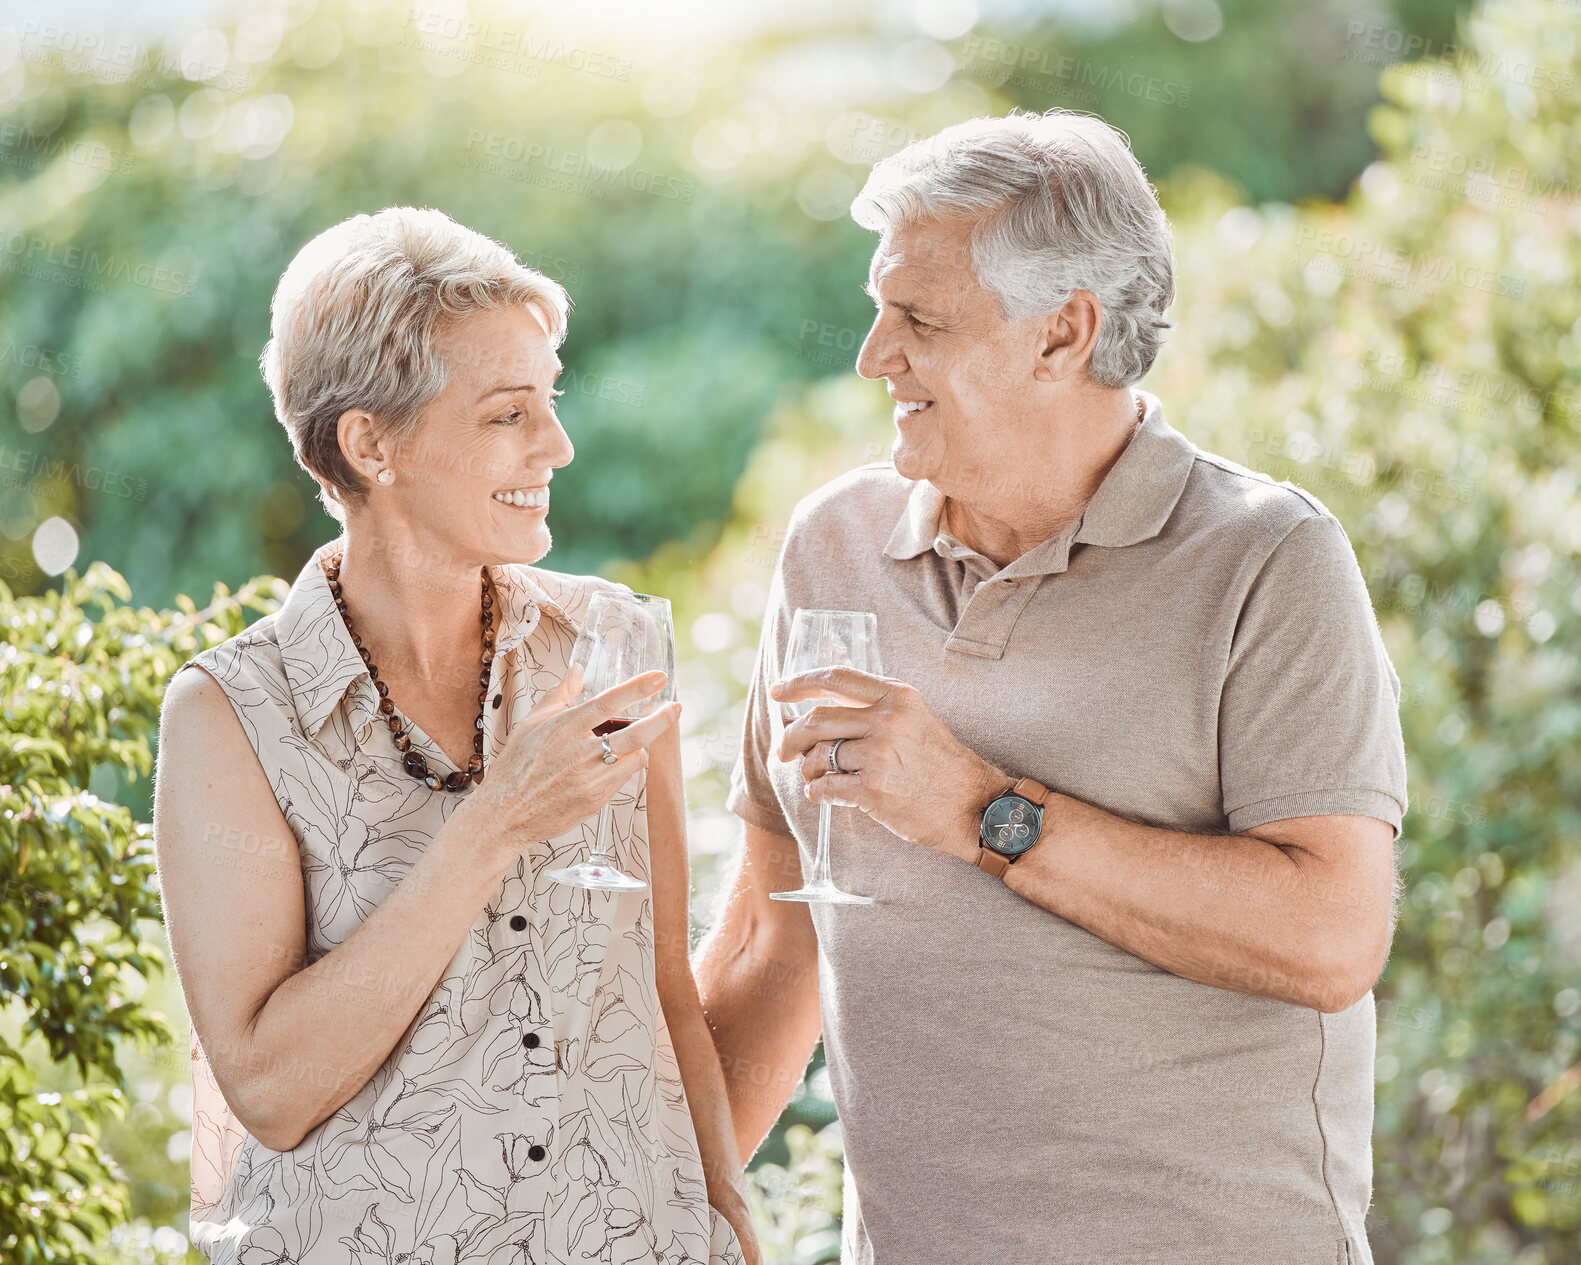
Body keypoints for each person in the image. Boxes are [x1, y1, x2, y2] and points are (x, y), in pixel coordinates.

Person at [697, 109, 1407, 1264]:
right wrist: (650, 1201)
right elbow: (772, 940)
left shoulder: (1267, 560)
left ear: (1062, 333)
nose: (875, 355)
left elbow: (1329, 936)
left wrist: (982, 811)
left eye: (918, 318)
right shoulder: (833, 547)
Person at [153, 206, 757, 1265]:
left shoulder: (616, 642)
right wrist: (494, 825)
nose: (557, 445)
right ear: (369, 442)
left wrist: (729, 1217)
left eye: (550, 403)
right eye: (508, 414)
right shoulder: (231, 715)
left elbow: (666, 988)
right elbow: (268, 1090)